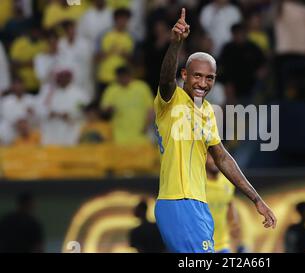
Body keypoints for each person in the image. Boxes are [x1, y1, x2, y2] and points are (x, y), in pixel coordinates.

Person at [154, 8, 276, 253]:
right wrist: (175, 44)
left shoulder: (207, 110)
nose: (202, 83)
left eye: (209, 78)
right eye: (197, 76)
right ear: (184, 75)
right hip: (178, 201)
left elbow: (221, 156)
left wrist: (256, 199)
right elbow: (166, 80)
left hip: (199, 204)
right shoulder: (171, 100)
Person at [101, 66, 154, 145]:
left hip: (141, 133)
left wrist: (147, 125)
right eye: (120, 77)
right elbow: (104, 109)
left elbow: (151, 108)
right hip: (119, 135)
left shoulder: (142, 87)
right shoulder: (111, 90)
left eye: (124, 76)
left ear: (130, 75)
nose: (122, 79)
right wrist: (110, 109)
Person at [205, 153, 241, 253]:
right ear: (204, 158)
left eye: (218, 157)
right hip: (202, 243)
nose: (216, 160)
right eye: (212, 157)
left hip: (222, 243)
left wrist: (234, 222)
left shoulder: (228, 182)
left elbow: (230, 202)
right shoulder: (198, 183)